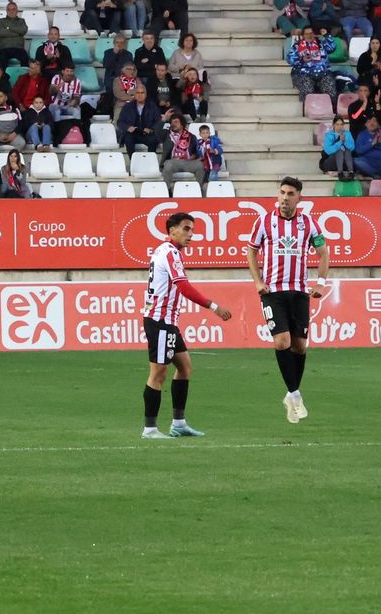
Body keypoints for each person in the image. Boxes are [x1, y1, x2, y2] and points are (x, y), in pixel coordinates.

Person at [140, 211, 233, 439]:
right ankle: (150, 429)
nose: (190, 234)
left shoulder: (165, 251)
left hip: (167, 321)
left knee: (185, 367)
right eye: (186, 228)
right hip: (160, 321)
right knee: (158, 373)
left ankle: (178, 424)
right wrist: (213, 306)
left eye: (192, 229)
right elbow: (184, 287)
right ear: (172, 231)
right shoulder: (170, 253)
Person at [246, 177, 331, 425]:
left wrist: (320, 283)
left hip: (299, 292)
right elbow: (251, 249)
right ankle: (294, 394)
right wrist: (257, 281)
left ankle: (291, 394)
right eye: (282, 193)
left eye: (290, 193)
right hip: (273, 292)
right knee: (282, 341)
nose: (284, 197)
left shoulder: (309, 224)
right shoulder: (264, 221)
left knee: (300, 347)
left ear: (299, 197)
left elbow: (323, 252)